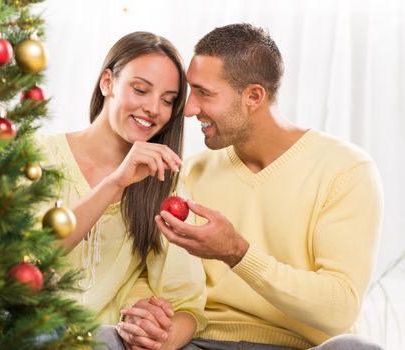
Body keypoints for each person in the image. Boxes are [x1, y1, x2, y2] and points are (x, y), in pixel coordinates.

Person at [119, 24, 384, 349]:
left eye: (204, 93)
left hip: (300, 345)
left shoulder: (346, 170)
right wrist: (145, 310)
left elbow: (340, 309)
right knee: (108, 338)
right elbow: (150, 270)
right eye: (190, 92)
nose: (188, 109)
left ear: (253, 96)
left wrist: (237, 253)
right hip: (199, 341)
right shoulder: (190, 172)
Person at [37, 31, 207, 350]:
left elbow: (188, 305)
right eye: (140, 89)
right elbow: (29, 257)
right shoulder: (39, 157)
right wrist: (114, 183)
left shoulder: (166, 185)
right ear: (107, 83)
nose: (153, 108)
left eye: (168, 100)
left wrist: (162, 339)